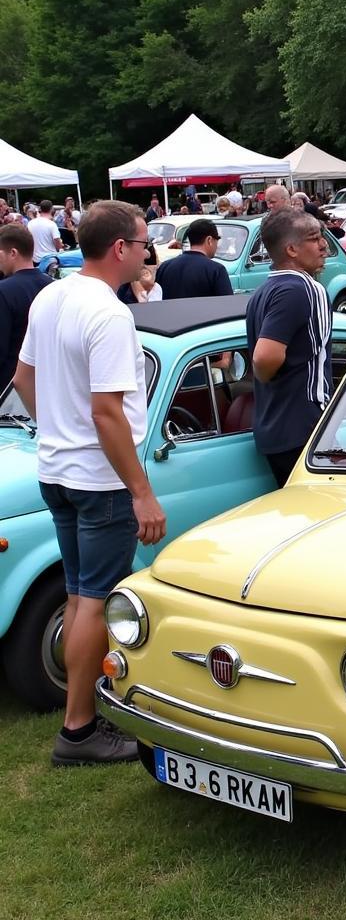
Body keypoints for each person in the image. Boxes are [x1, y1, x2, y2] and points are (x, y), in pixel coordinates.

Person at [13, 199, 166, 766]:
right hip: (98, 478)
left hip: (57, 467)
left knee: (81, 593)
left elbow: (23, 377)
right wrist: (141, 491)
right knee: (94, 599)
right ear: (120, 248)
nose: (148, 252)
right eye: (144, 242)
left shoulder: (50, 294)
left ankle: (81, 716)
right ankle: (79, 729)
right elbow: (107, 412)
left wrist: (51, 424)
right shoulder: (109, 314)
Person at [245, 208, 332, 488]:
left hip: (275, 427)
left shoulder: (262, 291)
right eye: (314, 238)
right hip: (305, 428)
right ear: (292, 249)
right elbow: (264, 358)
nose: (323, 245)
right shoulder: (302, 288)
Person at [0, 223, 53, 389]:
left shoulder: (3, 291)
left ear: (13, 253)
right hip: (47, 380)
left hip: (10, 386)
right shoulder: (53, 286)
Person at [155, 218, 232, 299]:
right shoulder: (216, 270)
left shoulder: (164, 267)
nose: (217, 246)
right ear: (209, 240)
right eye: (216, 240)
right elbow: (227, 305)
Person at [28, 199, 63, 266]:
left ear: (40, 209)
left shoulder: (30, 223)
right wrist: (61, 249)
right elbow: (57, 241)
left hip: (35, 260)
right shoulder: (52, 224)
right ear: (51, 209)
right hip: (50, 260)